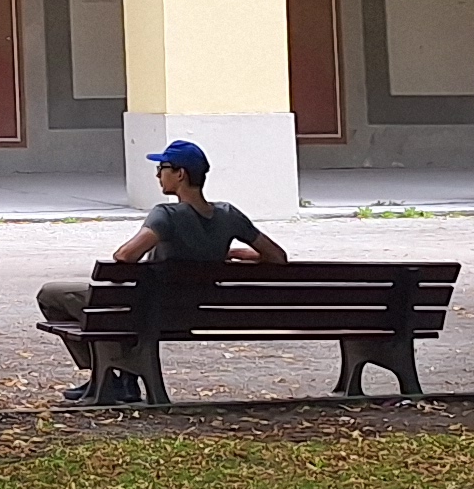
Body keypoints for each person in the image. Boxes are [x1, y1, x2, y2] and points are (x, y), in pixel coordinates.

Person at [40, 138, 290, 405]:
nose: (158, 174)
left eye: (162, 168)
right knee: (111, 312)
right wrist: (234, 252)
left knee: (50, 295)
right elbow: (277, 256)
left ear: (180, 174)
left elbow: (125, 256)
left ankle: (113, 376)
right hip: (193, 312)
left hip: (150, 310)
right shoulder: (229, 215)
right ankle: (121, 380)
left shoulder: (167, 215)